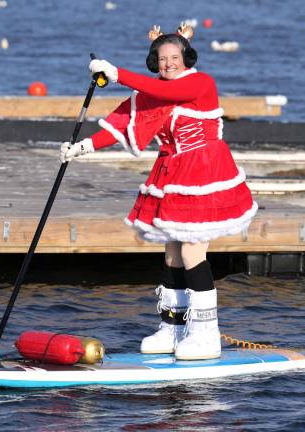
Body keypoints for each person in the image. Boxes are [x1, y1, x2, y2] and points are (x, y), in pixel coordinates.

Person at [59, 24, 257, 360]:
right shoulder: (151, 94)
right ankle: (173, 328)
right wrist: (81, 147)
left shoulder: (200, 82)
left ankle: (205, 334)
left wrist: (117, 73)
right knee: (171, 255)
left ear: (185, 58)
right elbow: (123, 123)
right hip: (172, 173)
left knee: (193, 253)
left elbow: (167, 93)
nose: (168, 64)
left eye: (174, 57)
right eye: (162, 59)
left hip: (205, 173)